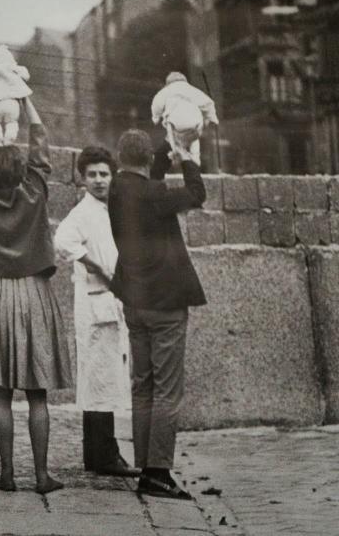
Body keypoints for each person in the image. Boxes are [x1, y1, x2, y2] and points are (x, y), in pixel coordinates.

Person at [0, 87, 72, 495]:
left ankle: (7, 474)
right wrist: (25, 99)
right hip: (32, 293)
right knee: (37, 393)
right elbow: (41, 146)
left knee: (1, 394)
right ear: (24, 170)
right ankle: (42, 476)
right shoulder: (36, 191)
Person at [108, 129, 206, 500]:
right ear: (147, 160)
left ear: (119, 158)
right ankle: (159, 471)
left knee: (143, 386)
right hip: (165, 304)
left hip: (134, 301)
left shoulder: (118, 188)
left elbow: (152, 177)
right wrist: (189, 159)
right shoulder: (154, 194)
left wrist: (170, 143)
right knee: (167, 390)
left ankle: (145, 465)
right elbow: (197, 194)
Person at [54, 146, 140, 477]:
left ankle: (97, 454)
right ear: (82, 178)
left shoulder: (111, 208)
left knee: (104, 379)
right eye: (92, 174)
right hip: (95, 301)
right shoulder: (83, 212)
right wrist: (97, 265)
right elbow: (62, 242)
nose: (99, 180)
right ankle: (105, 455)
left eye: (104, 174)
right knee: (99, 378)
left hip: (110, 300)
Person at [151, 71, 219, 166]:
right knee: (194, 138)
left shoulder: (166, 91)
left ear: (168, 84)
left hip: (176, 126)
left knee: (168, 123)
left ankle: (176, 150)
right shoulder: (192, 90)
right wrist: (213, 118)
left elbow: (156, 104)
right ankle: (195, 156)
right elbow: (208, 103)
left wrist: (156, 118)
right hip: (195, 125)